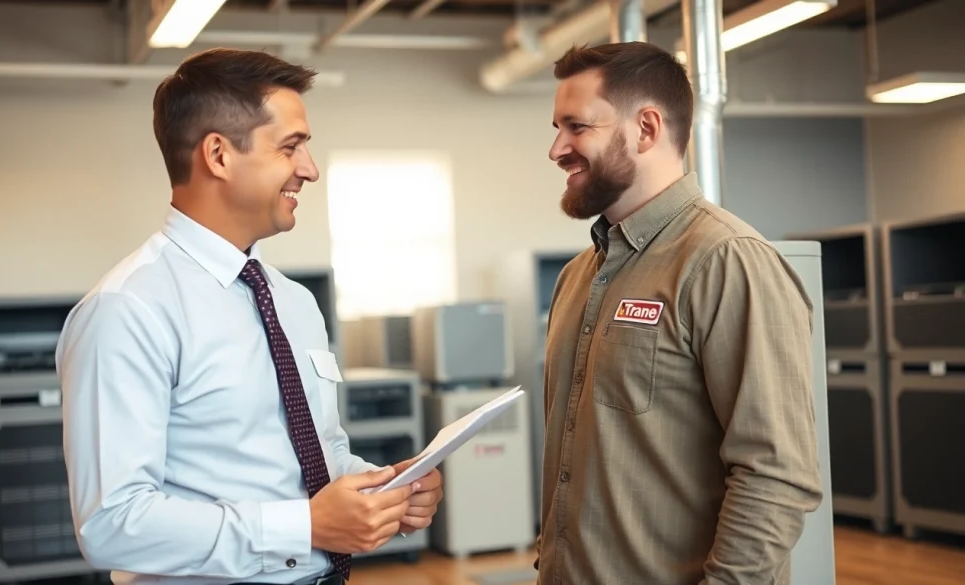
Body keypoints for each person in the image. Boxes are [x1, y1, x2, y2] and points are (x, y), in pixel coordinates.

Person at [56, 48, 442, 585]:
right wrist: (303, 526)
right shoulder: (126, 310)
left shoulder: (294, 301)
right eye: (291, 147)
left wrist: (383, 490)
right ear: (218, 154)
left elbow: (316, 454)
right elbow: (111, 523)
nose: (309, 170)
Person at [536, 42, 823, 585]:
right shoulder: (577, 278)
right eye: (556, 128)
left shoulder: (727, 261)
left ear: (646, 128)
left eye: (576, 127)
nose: (556, 149)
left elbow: (776, 475)